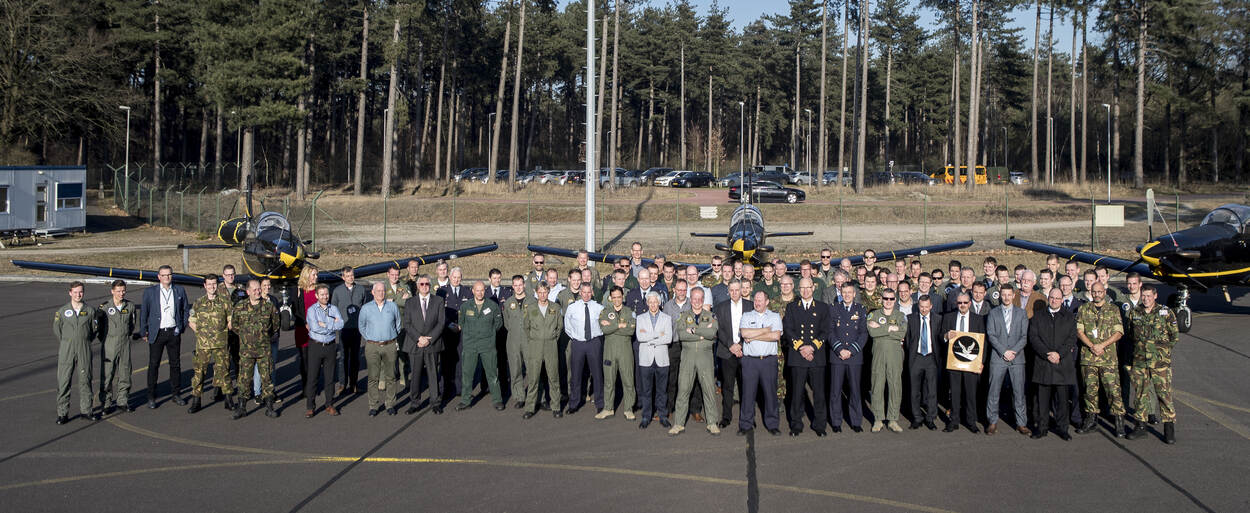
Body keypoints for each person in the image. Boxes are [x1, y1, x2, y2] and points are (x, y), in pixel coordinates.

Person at [1125, 284, 1179, 444]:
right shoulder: (1135, 312)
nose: (1146, 299)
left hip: (1160, 362)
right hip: (1140, 361)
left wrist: (1162, 352)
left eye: (1149, 296)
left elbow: (1174, 336)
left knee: (1164, 395)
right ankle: (1140, 426)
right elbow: (1130, 334)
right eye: (1144, 296)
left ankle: (1169, 428)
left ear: (1155, 296)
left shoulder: (1165, 312)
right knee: (1140, 395)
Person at [1075, 282, 1126, 437]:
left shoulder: (1113, 309)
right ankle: (1091, 420)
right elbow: (1079, 331)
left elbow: (1119, 332)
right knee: (1089, 391)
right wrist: (1092, 346)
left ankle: (1119, 422)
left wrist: (1102, 345)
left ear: (1104, 292)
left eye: (1099, 291)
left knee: (1113, 391)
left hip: (1107, 358)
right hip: (1089, 358)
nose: (1096, 294)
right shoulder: (1084, 309)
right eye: (1094, 292)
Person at [669, 287, 720, 436]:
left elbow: (712, 333)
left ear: (703, 300)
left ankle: (712, 423)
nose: (697, 301)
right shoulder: (683, 316)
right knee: (683, 390)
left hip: (705, 357)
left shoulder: (711, 316)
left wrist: (694, 330)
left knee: (709, 390)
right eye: (694, 298)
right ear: (690, 299)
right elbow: (682, 335)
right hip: (688, 357)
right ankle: (678, 424)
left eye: (700, 298)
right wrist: (702, 334)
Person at [783, 278, 830, 437]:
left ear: (813, 288)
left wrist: (812, 347)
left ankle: (820, 425)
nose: (805, 291)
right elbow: (788, 329)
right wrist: (801, 347)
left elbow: (825, 330)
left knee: (819, 393)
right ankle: (796, 424)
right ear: (798, 289)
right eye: (802, 288)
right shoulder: (791, 307)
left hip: (816, 356)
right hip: (798, 355)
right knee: (797, 393)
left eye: (808, 287)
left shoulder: (822, 307)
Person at [1029, 288, 1078, 440]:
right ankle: (1042, 428)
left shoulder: (1069, 317)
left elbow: (1072, 338)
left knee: (1062, 401)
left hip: (1062, 364)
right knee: (1042, 400)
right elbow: (1033, 338)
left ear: (1062, 300)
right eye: (1052, 297)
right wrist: (1047, 354)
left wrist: (1059, 354)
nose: (1054, 300)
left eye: (1057, 298)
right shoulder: (1038, 316)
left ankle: (1063, 429)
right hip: (1043, 363)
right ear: (1048, 298)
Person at [141, 265, 190, 408]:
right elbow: (144, 312)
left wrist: (181, 326)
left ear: (172, 276)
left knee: (175, 364)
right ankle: (151, 396)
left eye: (169, 274)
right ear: (159, 277)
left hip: (173, 332)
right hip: (157, 333)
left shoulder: (179, 290)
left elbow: (185, 309)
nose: (166, 277)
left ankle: (176, 394)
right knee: (154, 364)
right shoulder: (150, 292)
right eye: (163, 275)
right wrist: (143, 331)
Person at [985, 284, 1031, 436]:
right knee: (993, 391)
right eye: (1003, 294)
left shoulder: (1021, 313)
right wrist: (1004, 351)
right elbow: (991, 335)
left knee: (1019, 392)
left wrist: (1013, 352)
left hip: (1017, 358)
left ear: (1013, 295)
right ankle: (992, 422)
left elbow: (1024, 337)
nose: (1006, 297)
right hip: (998, 357)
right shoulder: (993, 313)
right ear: (1000, 295)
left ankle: (1021, 423)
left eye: (1009, 294)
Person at [232, 279, 280, 419]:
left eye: (259, 289)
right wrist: (247, 337)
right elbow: (235, 326)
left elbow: (275, 325)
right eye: (254, 290)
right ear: (248, 292)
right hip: (246, 351)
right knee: (244, 379)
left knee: (267, 379)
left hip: (264, 350)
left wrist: (263, 337)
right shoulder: (240, 307)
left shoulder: (269, 306)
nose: (258, 291)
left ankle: (269, 407)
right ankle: (242, 407)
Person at [738, 291, 784, 436]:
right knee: (748, 394)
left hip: (768, 361)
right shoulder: (747, 316)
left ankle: (772, 424)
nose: (757, 303)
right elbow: (744, 333)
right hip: (750, 361)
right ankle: (745, 424)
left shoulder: (774, 316)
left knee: (770, 394)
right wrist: (765, 330)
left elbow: (775, 336)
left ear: (767, 302)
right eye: (755, 300)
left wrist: (753, 336)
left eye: (760, 300)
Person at [455, 281, 504, 411]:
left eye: (482, 290)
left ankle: (497, 400)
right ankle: (465, 400)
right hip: (470, 345)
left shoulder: (492, 306)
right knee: (467, 374)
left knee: (492, 374)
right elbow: (461, 323)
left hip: (487, 345)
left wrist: (488, 333)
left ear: (485, 290)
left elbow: (498, 323)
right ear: (473, 291)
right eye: (477, 290)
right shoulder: (465, 306)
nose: (480, 293)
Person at [188, 275, 233, 414]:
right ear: (204, 285)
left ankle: (228, 399)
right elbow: (192, 322)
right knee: (199, 372)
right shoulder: (198, 302)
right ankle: (196, 400)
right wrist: (202, 334)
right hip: (203, 344)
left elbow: (231, 321)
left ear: (217, 285)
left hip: (220, 343)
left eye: (214, 284)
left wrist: (221, 333)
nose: (212, 287)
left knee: (224, 371)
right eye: (209, 284)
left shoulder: (225, 302)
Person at [54, 281, 98, 424]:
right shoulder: (62, 311)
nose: (78, 295)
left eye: (80, 292)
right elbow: (58, 330)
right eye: (75, 292)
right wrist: (69, 341)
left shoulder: (90, 311)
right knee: (64, 381)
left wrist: (82, 340)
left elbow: (93, 330)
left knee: (85, 379)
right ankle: (62, 413)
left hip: (84, 348)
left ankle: (86, 411)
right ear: (70, 293)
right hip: (67, 349)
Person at [941, 291, 985, 433]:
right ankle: (954, 421)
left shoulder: (978, 319)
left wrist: (981, 362)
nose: (962, 305)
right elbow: (940, 337)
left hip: (971, 363)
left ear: (970, 304)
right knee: (954, 393)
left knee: (970, 393)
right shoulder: (949, 317)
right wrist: (946, 336)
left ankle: (971, 421)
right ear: (956, 304)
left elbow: (983, 342)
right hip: (954, 362)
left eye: (965, 302)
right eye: (960, 303)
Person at [402, 274, 445, 414]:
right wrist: (419, 338)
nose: (424, 286)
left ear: (430, 286)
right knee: (415, 375)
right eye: (422, 284)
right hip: (416, 344)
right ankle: (415, 403)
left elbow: (441, 323)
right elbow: (407, 323)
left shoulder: (438, 301)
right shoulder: (410, 302)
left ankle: (435, 402)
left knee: (433, 374)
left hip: (432, 343)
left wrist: (429, 339)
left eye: (427, 284)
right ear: (418, 286)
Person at [866, 288, 907, 433]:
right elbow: (872, 332)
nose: (888, 301)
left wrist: (882, 328)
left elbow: (902, 333)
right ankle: (878, 419)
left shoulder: (900, 315)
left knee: (895, 385)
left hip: (895, 355)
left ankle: (893, 419)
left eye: (891, 298)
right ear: (881, 299)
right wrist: (891, 329)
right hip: (878, 354)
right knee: (877, 385)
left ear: (895, 300)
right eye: (885, 298)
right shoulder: (874, 314)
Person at [829, 282, 867, 432]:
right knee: (835, 391)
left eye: (849, 292)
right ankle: (836, 422)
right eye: (844, 292)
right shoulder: (833, 309)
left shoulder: (860, 309)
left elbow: (863, 334)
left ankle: (856, 422)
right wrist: (840, 349)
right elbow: (830, 332)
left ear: (854, 294)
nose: (847, 295)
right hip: (837, 356)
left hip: (854, 356)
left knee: (855, 390)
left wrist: (851, 351)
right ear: (840, 293)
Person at [360, 282, 402, 416]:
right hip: (372, 346)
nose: (381, 293)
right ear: (373, 292)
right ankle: (373, 405)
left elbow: (398, 324)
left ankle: (390, 404)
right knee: (373, 377)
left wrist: (390, 336)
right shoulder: (366, 308)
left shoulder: (392, 306)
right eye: (378, 291)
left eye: (383, 290)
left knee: (391, 376)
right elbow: (361, 326)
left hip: (390, 345)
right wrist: (371, 338)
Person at [523, 283, 564, 418]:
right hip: (535, 346)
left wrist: (551, 338)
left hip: (551, 346)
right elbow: (526, 327)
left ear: (548, 292)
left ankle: (556, 407)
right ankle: (529, 408)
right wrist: (535, 338)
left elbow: (559, 327)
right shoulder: (530, 308)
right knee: (533, 378)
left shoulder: (555, 308)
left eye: (545, 292)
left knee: (553, 377)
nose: (542, 295)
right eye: (540, 292)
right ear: (536, 293)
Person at [596, 286, 637, 420]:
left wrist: (612, 325)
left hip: (625, 351)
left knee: (628, 380)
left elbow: (631, 330)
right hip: (610, 351)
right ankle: (608, 408)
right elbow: (604, 330)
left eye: (619, 297)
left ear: (622, 296)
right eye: (614, 297)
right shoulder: (605, 312)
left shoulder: (629, 312)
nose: (617, 300)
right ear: (610, 298)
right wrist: (620, 325)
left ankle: (629, 409)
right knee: (609, 381)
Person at [97, 280, 137, 413]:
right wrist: (106, 340)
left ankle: (122, 401)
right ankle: (106, 403)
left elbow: (131, 325)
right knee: (107, 375)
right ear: (112, 291)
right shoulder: (104, 307)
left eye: (123, 291)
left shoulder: (130, 306)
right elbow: (99, 328)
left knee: (125, 373)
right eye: (118, 291)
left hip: (124, 343)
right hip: (109, 344)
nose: (121, 293)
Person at [304, 284, 344, 417]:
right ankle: (310, 406)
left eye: (326, 294)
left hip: (330, 346)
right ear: (316, 296)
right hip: (315, 346)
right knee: (312, 377)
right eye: (322, 294)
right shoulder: (311, 310)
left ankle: (329, 404)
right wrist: (332, 323)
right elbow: (314, 327)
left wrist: (324, 323)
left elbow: (341, 324)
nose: (325, 297)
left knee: (330, 378)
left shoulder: (334, 308)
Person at [714, 280, 749, 429]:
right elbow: (719, 329)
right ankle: (726, 417)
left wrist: (740, 345)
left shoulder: (750, 306)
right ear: (728, 291)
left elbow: (752, 327)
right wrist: (731, 345)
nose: (734, 293)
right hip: (727, 352)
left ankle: (747, 417)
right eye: (732, 290)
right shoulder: (720, 307)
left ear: (741, 290)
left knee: (746, 386)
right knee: (727, 387)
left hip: (745, 351)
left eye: (737, 290)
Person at [564, 284, 605, 414]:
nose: (586, 295)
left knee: (597, 374)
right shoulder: (572, 307)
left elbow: (604, 325)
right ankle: (574, 403)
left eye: (589, 292)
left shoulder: (599, 308)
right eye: (584, 292)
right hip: (578, 343)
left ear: (592, 293)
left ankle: (600, 403)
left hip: (594, 343)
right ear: (580, 293)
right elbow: (567, 325)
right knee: (576, 374)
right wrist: (576, 337)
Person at [662, 279, 698, 421]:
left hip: (689, 344)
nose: (682, 292)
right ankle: (669, 408)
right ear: (674, 290)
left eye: (684, 290)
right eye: (679, 290)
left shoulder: (692, 304)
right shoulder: (668, 306)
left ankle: (695, 409)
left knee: (693, 377)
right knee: (672, 378)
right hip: (674, 345)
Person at [904, 295, 942, 430]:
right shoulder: (910, 319)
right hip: (916, 358)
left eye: (926, 307)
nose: (924, 309)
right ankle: (917, 418)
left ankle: (930, 418)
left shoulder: (938, 319)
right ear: (918, 306)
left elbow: (939, 338)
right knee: (914, 390)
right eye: (921, 307)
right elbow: (908, 339)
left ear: (931, 306)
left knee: (931, 390)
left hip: (931, 358)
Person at [635, 293, 673, 429]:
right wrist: (658, 334)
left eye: (655, 302)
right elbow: (640, 337)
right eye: (650, 302)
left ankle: (663, 416)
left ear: (659, 303)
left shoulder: (666, 318)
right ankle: (646, 416)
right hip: (646, 359)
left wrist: (649, 338)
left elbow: (668, 338)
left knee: (662, 390)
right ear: (647, 303)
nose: (653, 304)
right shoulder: (640, 318)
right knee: (646, 390)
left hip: (662, 359)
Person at [331, 266, 368, 396]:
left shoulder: (361, 289)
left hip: (356, 329)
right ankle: (342, 384)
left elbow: (364, 306)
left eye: (352, 275)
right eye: (347, 276)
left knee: (355, 357)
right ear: (343, 277)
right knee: (343, 357)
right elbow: (333, 309)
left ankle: (354, 384)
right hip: (343, 329)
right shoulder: (337, 291)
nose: (350, 278)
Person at [439, 267, 473, 403]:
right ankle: (444, 389)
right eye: (454, 277)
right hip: (447, 331)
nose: (456, 280)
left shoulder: (467, 291)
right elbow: (439, 312)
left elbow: (470, 311)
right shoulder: (442, 291)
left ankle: (459, 388)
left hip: (462, 331)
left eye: (459, 277)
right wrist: (450, 325)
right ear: (450, 277)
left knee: (461, 361)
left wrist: (462, 325)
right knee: (446, 361)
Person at [501, 275, 529, 409]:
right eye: (515, 285)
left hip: (529, 340)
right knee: (515, 370)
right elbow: (506, 323)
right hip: (513, 340)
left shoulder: (532, 301)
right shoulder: (508, 303)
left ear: (524, 285)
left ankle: (536, 397)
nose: (518, 288)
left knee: (533, 370)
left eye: (520, 285)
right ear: (512, 286)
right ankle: (519, 397)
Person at [293, 265, 321, 396]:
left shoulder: (319, 290)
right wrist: (305, 323)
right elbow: (296, 310)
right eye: (313, 274)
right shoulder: (298, 290)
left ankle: (314, 386)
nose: (316, 277)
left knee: (316, 360)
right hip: (302, 329)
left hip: (317, 330)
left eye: (316, 274)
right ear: (306, 275)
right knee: (304, 359)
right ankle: (305, 387)